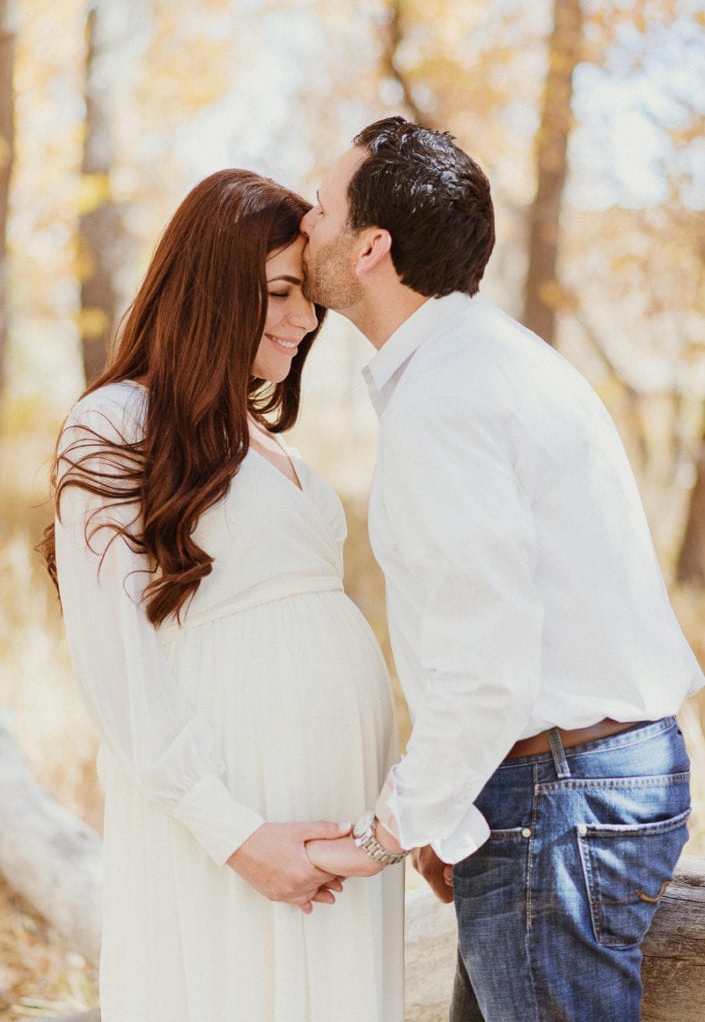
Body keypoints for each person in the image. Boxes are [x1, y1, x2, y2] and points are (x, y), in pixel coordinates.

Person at [298, 117, 704, 1022]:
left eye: (321, 207)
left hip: (559, 798)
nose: (305, 221)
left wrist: (386, 832)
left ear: (371, 246)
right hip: (550, 785)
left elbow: (487, 661)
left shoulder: (448, 396)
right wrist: (455, 807)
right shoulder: (481, 361)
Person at [41, 169, 404, 1022]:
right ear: (209, 286)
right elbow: (112, 660)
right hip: (230, 806)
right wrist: (230, 831)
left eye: (306, 296)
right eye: (280, 292)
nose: (306, 319)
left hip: (335, 812)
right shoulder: (117, 423)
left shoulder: (264, 440)